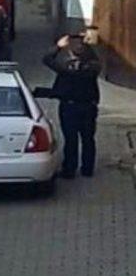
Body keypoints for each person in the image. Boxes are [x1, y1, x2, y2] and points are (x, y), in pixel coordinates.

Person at [42, 33, 101, 179]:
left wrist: (58, 47)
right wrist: (87, 45)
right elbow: (94, 61)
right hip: (88, 106)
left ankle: (70, 169)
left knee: (71, 139)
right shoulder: (93, 66)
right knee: (88, 138)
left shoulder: (67, 67)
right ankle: (87, 169)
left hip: (70, 107)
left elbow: (47, 59)